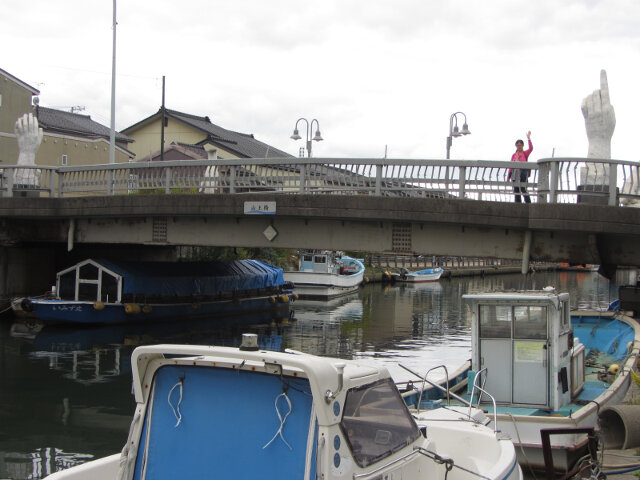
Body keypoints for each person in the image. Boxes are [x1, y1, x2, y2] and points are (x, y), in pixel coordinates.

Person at [508, 131, 533, 203]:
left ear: (523, 146)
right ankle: (517, 204)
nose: (519, 147)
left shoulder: (525, 153)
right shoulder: (514, 155)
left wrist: (528, 138)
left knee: (523, 188)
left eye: (520, 145)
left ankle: (528, 203)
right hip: (515, 173)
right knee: (516, 189)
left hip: (523, 172)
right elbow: (510, 166)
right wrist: (508, 176)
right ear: (516, 146)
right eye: (518, 145)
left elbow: (531, 148)